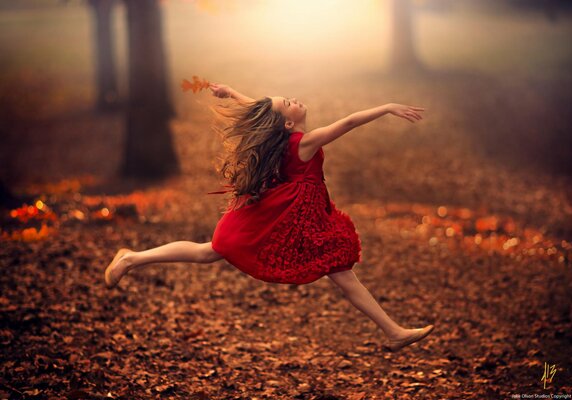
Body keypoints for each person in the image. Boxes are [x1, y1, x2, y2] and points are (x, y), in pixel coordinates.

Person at [105, 83, 434, 350]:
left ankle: (393, 331)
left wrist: (232, 92)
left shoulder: (282, 136)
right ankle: (131, 259)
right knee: (211, 251)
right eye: (287, 102)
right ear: (289, 123)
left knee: (338, 272)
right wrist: (388, 107)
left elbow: (262, 112)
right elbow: (347, 123)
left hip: (295, 214)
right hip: (283, 215)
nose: (293, 98)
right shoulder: (303, 142)